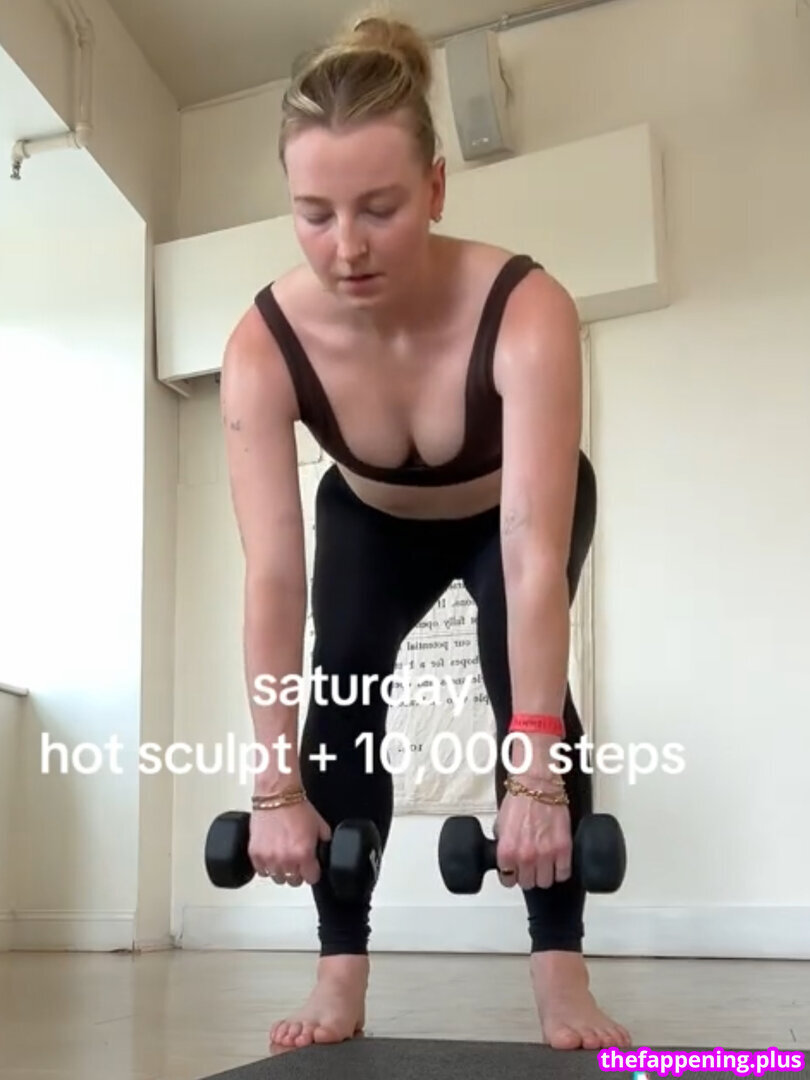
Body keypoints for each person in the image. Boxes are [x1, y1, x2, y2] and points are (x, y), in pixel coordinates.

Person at [220, 9, 631, 1057]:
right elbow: (273, 578)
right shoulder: (263, 344)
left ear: (437, 187)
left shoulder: (526, 306)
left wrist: (534, 778)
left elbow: (532, 555)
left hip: (510, 515)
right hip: (371, 517)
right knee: (344, 678)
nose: (346, 247)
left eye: (381, 208)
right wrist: (274, 786)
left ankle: (560, 966)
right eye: (313, 214)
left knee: (521, 674)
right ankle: (340, 967)